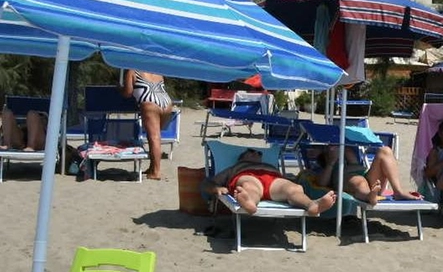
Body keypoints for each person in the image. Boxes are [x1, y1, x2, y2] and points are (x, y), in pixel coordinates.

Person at [202, 147, 337, 216]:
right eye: (252, 151)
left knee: (293, 188)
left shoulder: (270, 166)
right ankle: (249, 202)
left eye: (259, 153)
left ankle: (312, 205)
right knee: (250, 187)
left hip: (273, 179)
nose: (257, 154)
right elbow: (207, 183)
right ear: (242, 157)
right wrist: (216, 189)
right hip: (248, 176)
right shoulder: (235, 167)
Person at [312, 143, 420, 205]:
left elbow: (355, 163)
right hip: (346, 179)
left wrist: (345, 148)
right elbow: (322, 183)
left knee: (385, 150)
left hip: (366, 176)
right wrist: (331, 160)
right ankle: (369, 196)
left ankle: (398, 191)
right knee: (359, 180)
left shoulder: (347, 150)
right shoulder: (327, 162)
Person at [119, 70, 174, 180]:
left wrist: (119, 88)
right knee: (155, 137)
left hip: (149, 102)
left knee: (154, 138)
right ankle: (152, 167)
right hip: (166, 103)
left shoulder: (132, 71)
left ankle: (156, 172)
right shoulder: (156, 71)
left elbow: (128, 92)